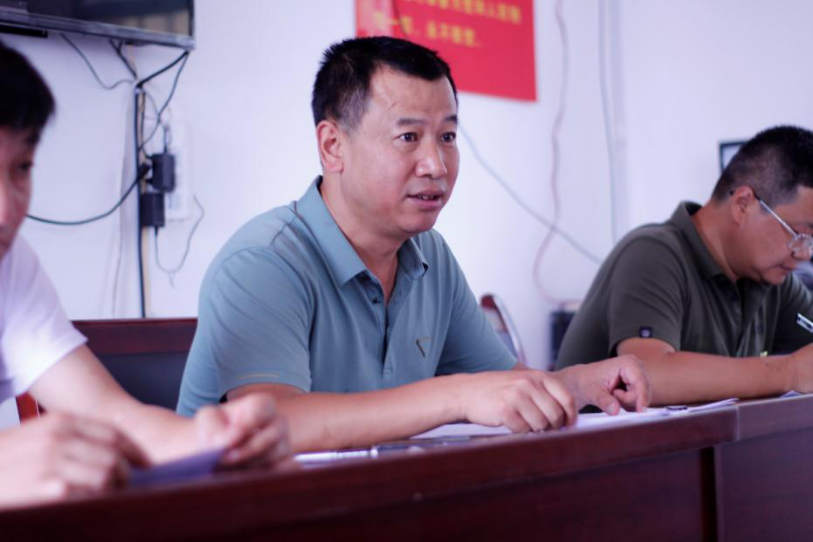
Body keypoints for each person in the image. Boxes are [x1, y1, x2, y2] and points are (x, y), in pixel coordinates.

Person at [177, 36, 650, 452]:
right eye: (408, 137)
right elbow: (273, 422)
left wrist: (578, 384)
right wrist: (456, 395)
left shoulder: (430, 256)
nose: (436, 165)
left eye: (447, 136)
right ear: (332, 146)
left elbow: (504, 386)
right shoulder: (264, 261)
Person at [0, 41, 290, 510]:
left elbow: (112, 416)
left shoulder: (10, 265)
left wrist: (215, 442)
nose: (5, 210)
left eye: (21, 168)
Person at [556, 126, 813, 405]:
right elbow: (647, 376)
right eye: (799, 234)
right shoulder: (652, 254)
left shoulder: (771, 279)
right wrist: (790, 372)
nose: (804, 254)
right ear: (743, 204)